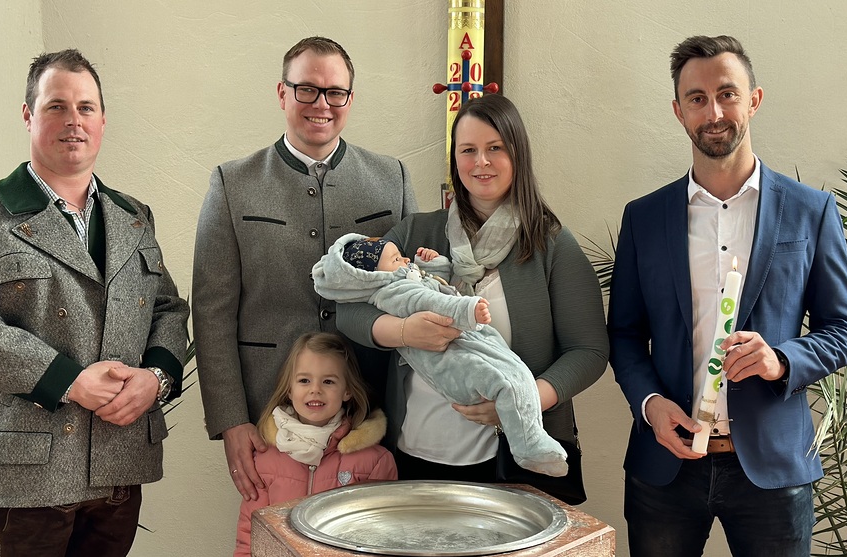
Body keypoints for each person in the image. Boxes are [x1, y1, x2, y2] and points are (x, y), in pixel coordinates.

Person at [608, 35, 847, 557]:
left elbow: (846, 330)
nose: (714, 112)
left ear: (754, 100)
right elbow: (625, 335)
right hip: (666, 465)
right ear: (679, 111)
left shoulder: (810, 211)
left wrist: (781, 359)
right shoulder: (644, 217)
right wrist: (651, 405)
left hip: (773, 467)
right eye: (697, 99)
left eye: (727, 94)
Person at [0, 49, 189, 556]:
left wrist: (155, 379)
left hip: (118, 464)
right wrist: (70, 381)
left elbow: (167, 308)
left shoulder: (135, 217)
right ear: (28, 115)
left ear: (102, 120)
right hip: (25, 474)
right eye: (56, 106)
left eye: (86, 107)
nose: (74, 120)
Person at [337, 94, 608, 488]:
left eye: (495, 148)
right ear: (455, 160)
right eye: (468, 150)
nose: (481, 162)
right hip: (416, 452)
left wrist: (521, 401)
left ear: (518, 154)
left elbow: (589, 351)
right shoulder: (416, 233)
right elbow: (348, 307)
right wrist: (404, 332)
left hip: (514, 461)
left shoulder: (551, 244)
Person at [192, 36, 417, 502]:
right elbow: (212, 313)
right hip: (269, 417)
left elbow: (413, 292)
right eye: (307, 89)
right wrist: (231, 421)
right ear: (282, 93)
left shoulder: (391, 178)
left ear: (350, 99)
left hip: (372, 412)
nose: (322, 104)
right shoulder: (232, 183)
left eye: (335, 92)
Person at [314, 233, 568, 475]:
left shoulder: (404, 278)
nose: (406, 260)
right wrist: (466, 311)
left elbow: (434, 286)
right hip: (449, 363)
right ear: (373, 276)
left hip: (469, 357)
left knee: (517, 376)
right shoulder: (393, 289)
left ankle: (533, 442)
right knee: (504, 383)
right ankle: (530, 448)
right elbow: (429, 302)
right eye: (396, 259)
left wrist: (431, 265)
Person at [235, 332, 397, 556]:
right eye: (304, 380)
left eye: (328, 381)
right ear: (289, 389)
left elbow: (381, 537)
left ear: (347, 390)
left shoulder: (375, 461)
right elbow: (250, 535)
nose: (315, 390)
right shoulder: (265, 459)